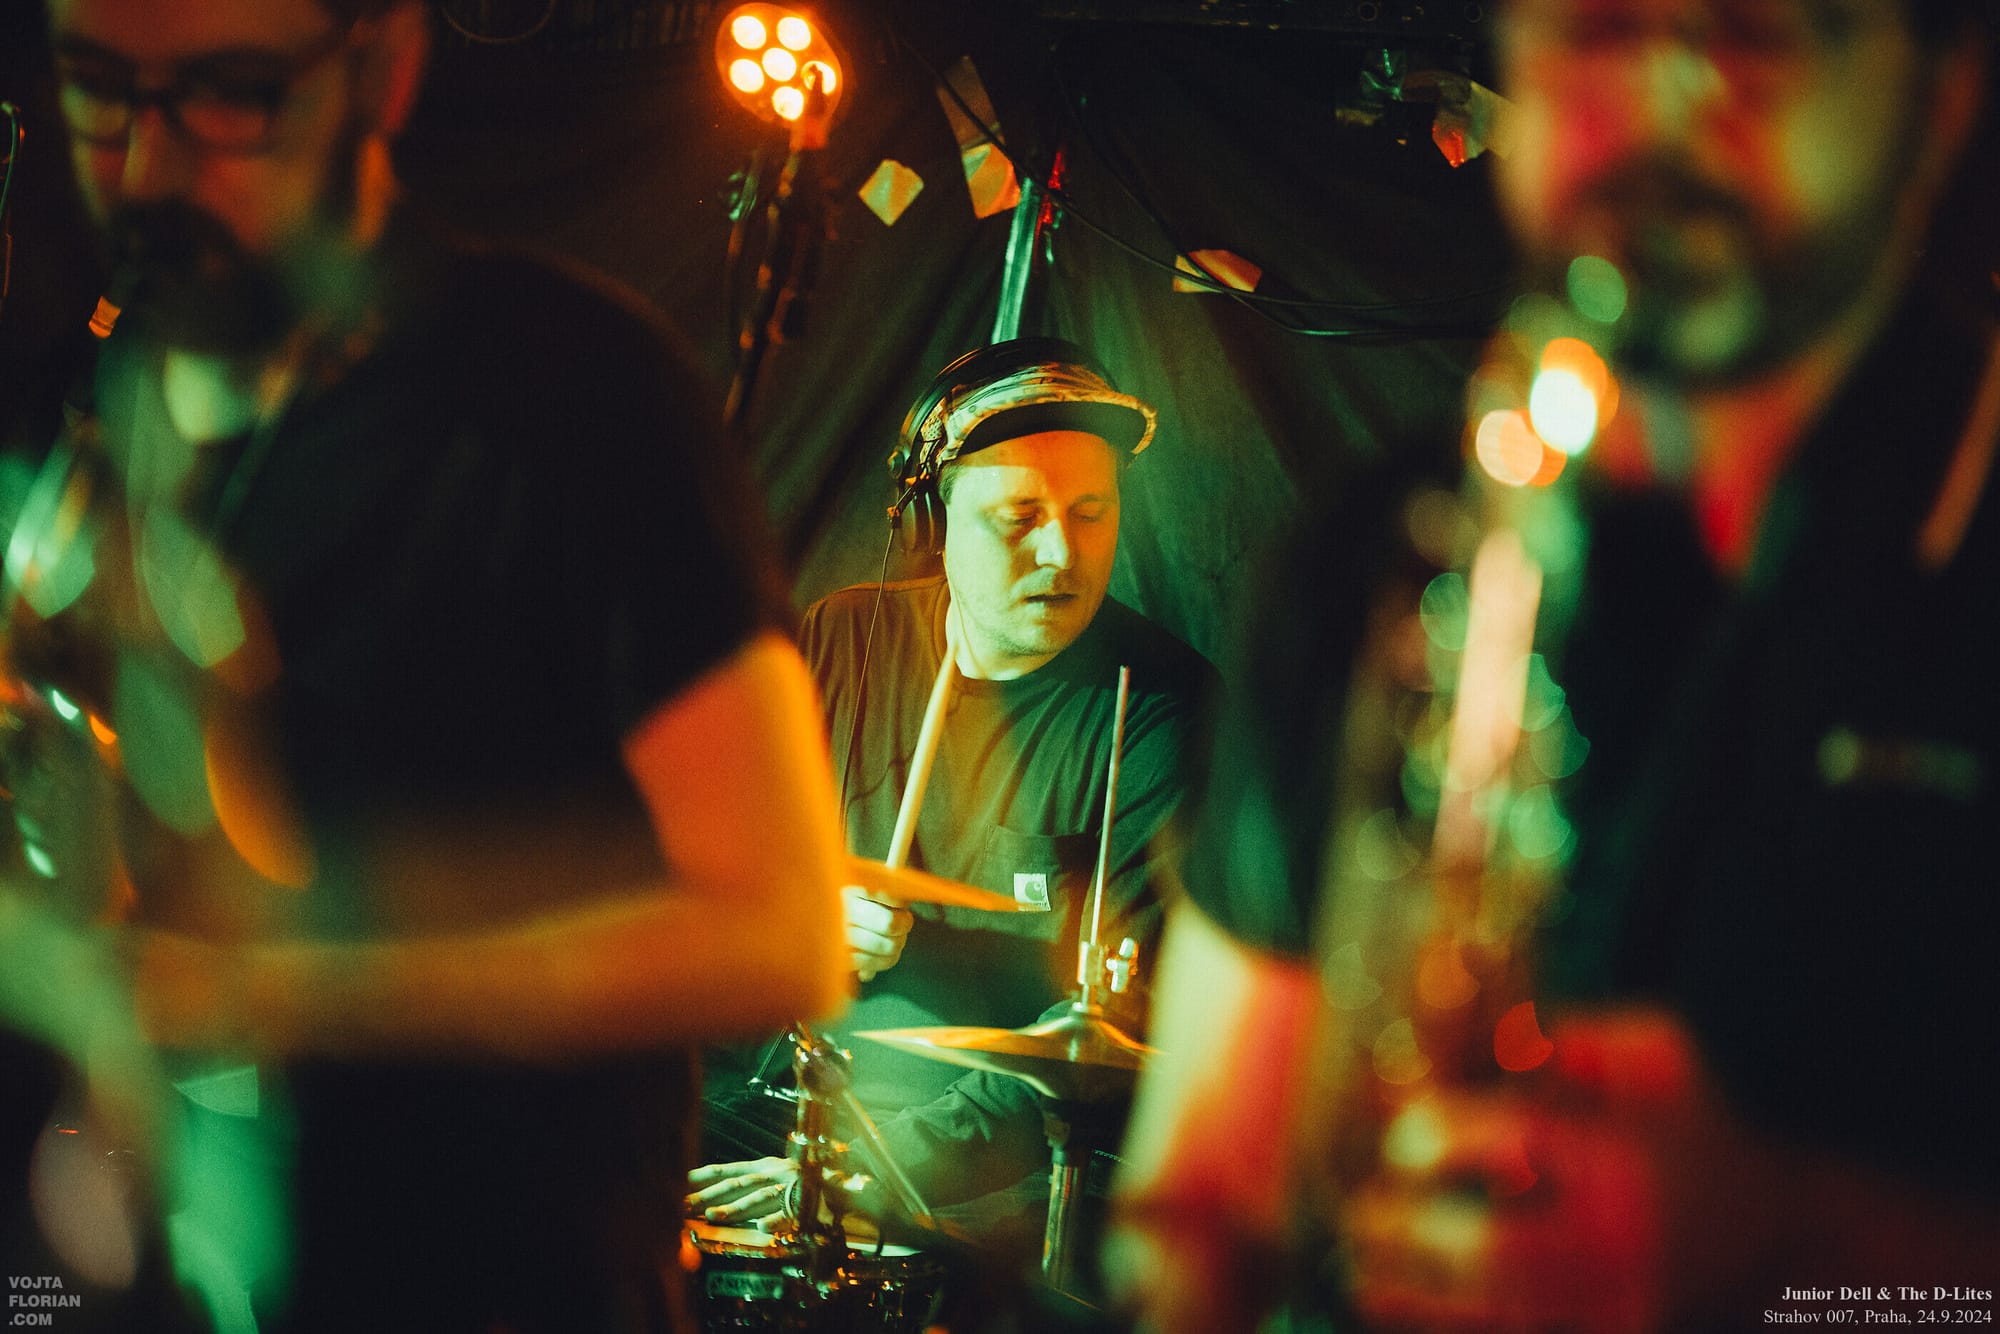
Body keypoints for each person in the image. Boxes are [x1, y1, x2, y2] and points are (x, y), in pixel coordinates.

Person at [1106, 0, 2000, 1329]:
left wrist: (1787, 1246)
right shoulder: (1376, 549)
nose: (1669, 91)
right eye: (1593, 25)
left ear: (1942, 91)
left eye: (1760, 28)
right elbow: (1195, 1198)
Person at [1, 0, 849, 1329]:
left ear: (383, 68)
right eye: (100, 89)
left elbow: (782, 932)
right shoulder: (99, 399)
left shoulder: (579, 391)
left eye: (232, 92)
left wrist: (288, 991)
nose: (148, 166)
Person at [689, 339, 1214, 1268]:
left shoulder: (1162, 716)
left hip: (976, 1170)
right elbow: (716, 874)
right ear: (935, 521)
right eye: (1020, 517)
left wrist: (868, 1174)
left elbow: (1114, 1036)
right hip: (775, 1098)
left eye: (1091, 513)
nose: (1062, 552)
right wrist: (799, 919)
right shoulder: (843, 636)